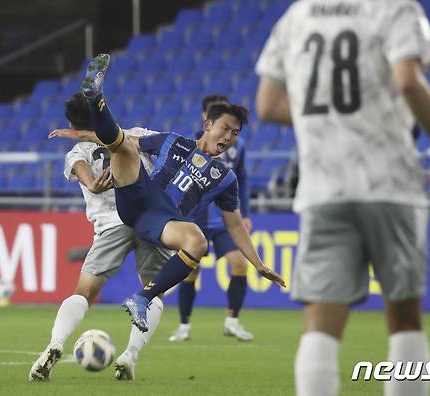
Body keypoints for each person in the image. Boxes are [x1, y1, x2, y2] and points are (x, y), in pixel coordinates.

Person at [254, 1, 430, 395]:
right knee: (404, 316)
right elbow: (408, 80)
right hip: (390, 186)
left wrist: (329, 121)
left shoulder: (297, 17)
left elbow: (268, 104)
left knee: (321, 323)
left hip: (324, 190)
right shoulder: (396, 8)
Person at [80, 54, 285, 334]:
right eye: (225, 128)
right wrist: (83, 134)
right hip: (137, 197)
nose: (228, 137)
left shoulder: (225, 178)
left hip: (164, 222)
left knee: (197, 241)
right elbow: (129, 140)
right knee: (125, 148)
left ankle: (142, 298)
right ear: (208, 124)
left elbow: (235, 224)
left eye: (235, 133)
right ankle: (95, 98)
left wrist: (259, 265)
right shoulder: (173, 141)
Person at [29, 93, 174, 382]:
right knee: (153, 292)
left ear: (72, 124)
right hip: (149, 221)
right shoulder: (135, 135)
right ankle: (129, 356)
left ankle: (55, 344)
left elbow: (83, 173)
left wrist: (92, 182)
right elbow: (167, 144)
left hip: (111, 226)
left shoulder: (76, 154)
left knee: (83, 293)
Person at [170, 94, 255, 342]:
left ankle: (232, 321)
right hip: (197, 218)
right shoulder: (192, 143)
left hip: (224, 219)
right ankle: (184, 326)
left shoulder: (237, 146)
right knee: (190, 271)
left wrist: (245, 213)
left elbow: (243, 179)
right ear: (205, 118)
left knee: (239, 264)